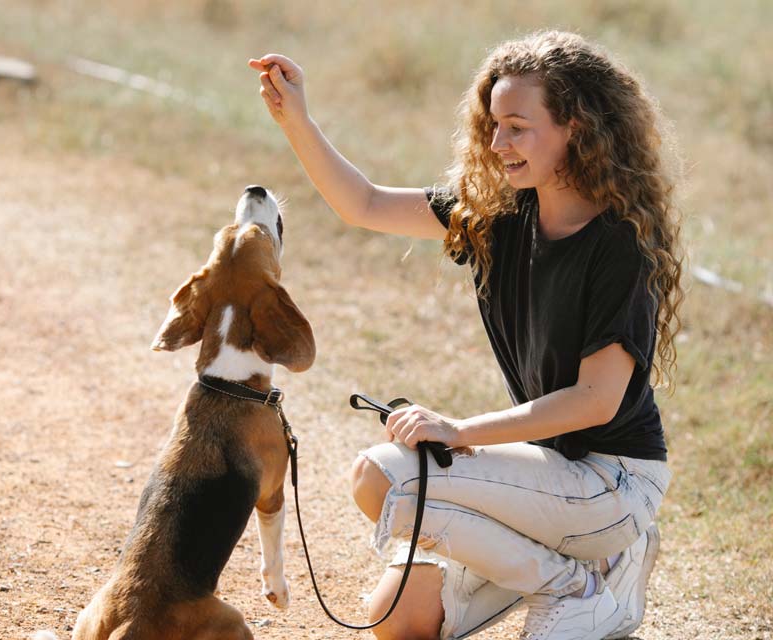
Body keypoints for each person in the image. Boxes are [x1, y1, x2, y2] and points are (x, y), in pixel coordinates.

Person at [249, 29, 683, 640]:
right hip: (549, 475)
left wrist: (459, 432)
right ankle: (580, 568)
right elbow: (366, 204)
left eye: (517, 126)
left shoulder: (618, 244)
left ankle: (576, 585)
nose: (497, 142)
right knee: (397, 621)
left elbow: (596, 400)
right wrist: (295, 117)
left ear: (575, 129)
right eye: (493, 124)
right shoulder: (499, 216)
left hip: (611, 484)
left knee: (382, 476)